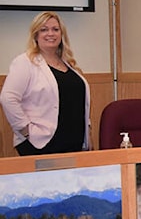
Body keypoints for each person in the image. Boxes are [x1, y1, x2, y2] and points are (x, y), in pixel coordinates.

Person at [1, 12, 91, 155]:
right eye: (44, 29)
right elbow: (8, 98)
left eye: (55, 29)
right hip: (41, 144)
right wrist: (26, 131)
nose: (51, 33)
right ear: (35, 35)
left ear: (62, 34)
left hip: (74, 144)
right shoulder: (25, 62)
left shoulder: (69, 65)